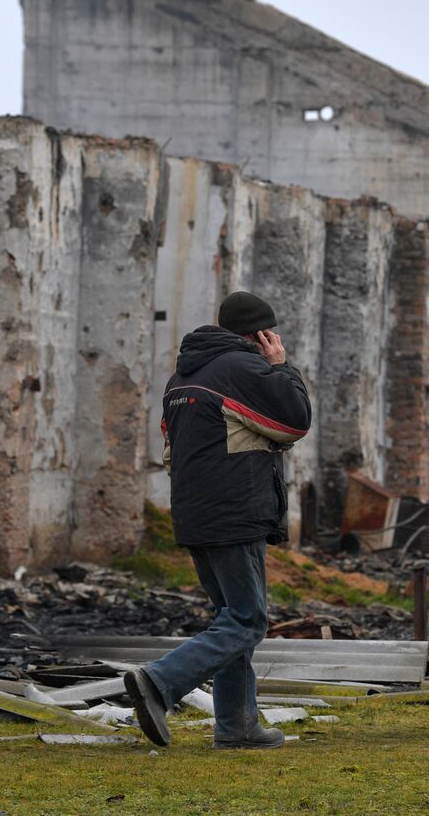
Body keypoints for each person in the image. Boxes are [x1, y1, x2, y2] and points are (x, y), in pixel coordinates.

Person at [124, 291, 312, 748]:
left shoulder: (182, 376)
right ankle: (159, 682)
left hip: (195, 513)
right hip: (235, 512)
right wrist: (282, 366)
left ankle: (237, 726)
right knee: (248, 620)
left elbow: (175, 442)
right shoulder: (242, 368)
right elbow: (294, 422)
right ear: (259, 334)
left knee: (230, 619)